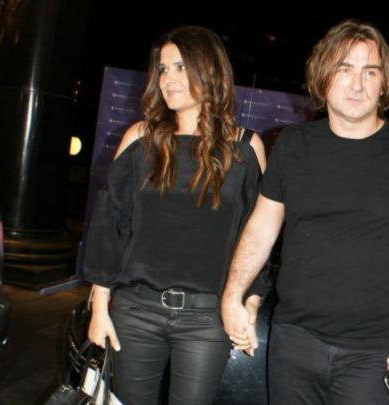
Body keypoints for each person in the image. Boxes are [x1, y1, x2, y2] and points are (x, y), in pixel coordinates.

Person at [222, 19, 389, 405]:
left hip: (376, 353)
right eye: (345, 69)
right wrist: (232, 295)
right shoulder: (292, 145)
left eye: (370, 72)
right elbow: (261, 227)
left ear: (384, 83)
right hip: (294, 342)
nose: (357, 84)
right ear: (323, 77)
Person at [82, 25, 267, 405]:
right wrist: (99, 306)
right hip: (136, 310)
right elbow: (110, 224)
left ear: (209, 70)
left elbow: (256, 235)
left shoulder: (246, 148)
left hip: (207, 317)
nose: (168, 79)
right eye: (163, 69)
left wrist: (249, 304)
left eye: (181, 67)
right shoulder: (140, 139)